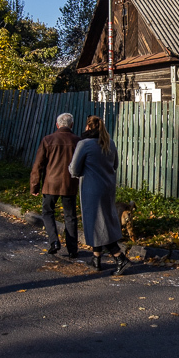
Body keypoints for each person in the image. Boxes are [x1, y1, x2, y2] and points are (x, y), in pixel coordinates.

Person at [69, 115, 129, 275]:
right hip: (108, 188)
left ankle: (119, 257)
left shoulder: (84, 144)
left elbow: (74, 169)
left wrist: (83, 171)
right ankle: (96, 259)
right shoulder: (110, 144)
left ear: (88, 127)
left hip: (91, 189)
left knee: (98, 223)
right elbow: (115, 165)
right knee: (101, 221)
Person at [30, 112, 80, 257]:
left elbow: (38, 164)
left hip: (50, 184)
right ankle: (72, 249)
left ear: (57, 125)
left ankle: (54, 241)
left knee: (47, 212)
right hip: (69, 184)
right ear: (72, 125)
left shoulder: (48, 140)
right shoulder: (78, 141)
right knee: (70, 216)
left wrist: (34, 185)